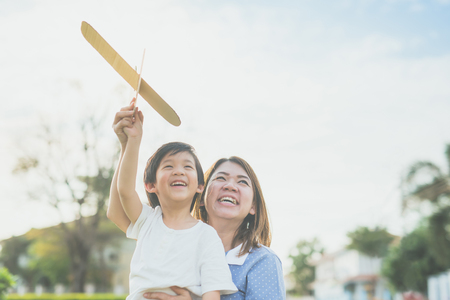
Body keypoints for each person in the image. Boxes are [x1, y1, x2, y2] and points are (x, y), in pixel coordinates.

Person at [107, 99, 237, 300]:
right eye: (168, 166)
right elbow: (124, 190)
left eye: (187, 167)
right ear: (151, 185)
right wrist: (131, 142)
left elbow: (212, 294)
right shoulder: (147, 221)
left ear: (200, 186)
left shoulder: (207, 237)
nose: (178, 171)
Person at [144, 158, 286, 300]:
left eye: (242, 181)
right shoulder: (174, 246)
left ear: (253, 206)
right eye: (220, 178)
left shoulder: (263, 260)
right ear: (201, 197)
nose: (230, 186)